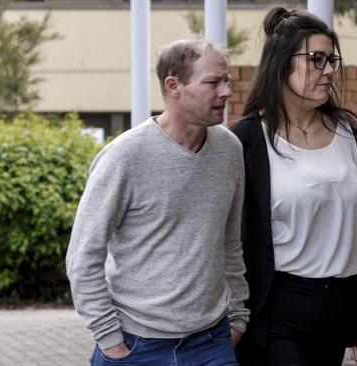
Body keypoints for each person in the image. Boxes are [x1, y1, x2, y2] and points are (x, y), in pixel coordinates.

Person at [230, 7, 357, 366]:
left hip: (340, 313)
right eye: (316, 59)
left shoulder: (347, 132)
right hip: (278, 313)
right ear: (282, 63)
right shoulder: (249, 140)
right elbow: (234, 239)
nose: (328, 70)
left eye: (332, 60)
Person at [66, 39, 249, 366]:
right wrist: (110, 339)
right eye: (212, 82)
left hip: (211, 341)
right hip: (136, 346)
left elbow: (229, 242)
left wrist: (237, 317)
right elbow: (84, 254)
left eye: (226, 81)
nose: (226, 92)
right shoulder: (124, 157)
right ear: (173, 86)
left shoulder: (229, 150)